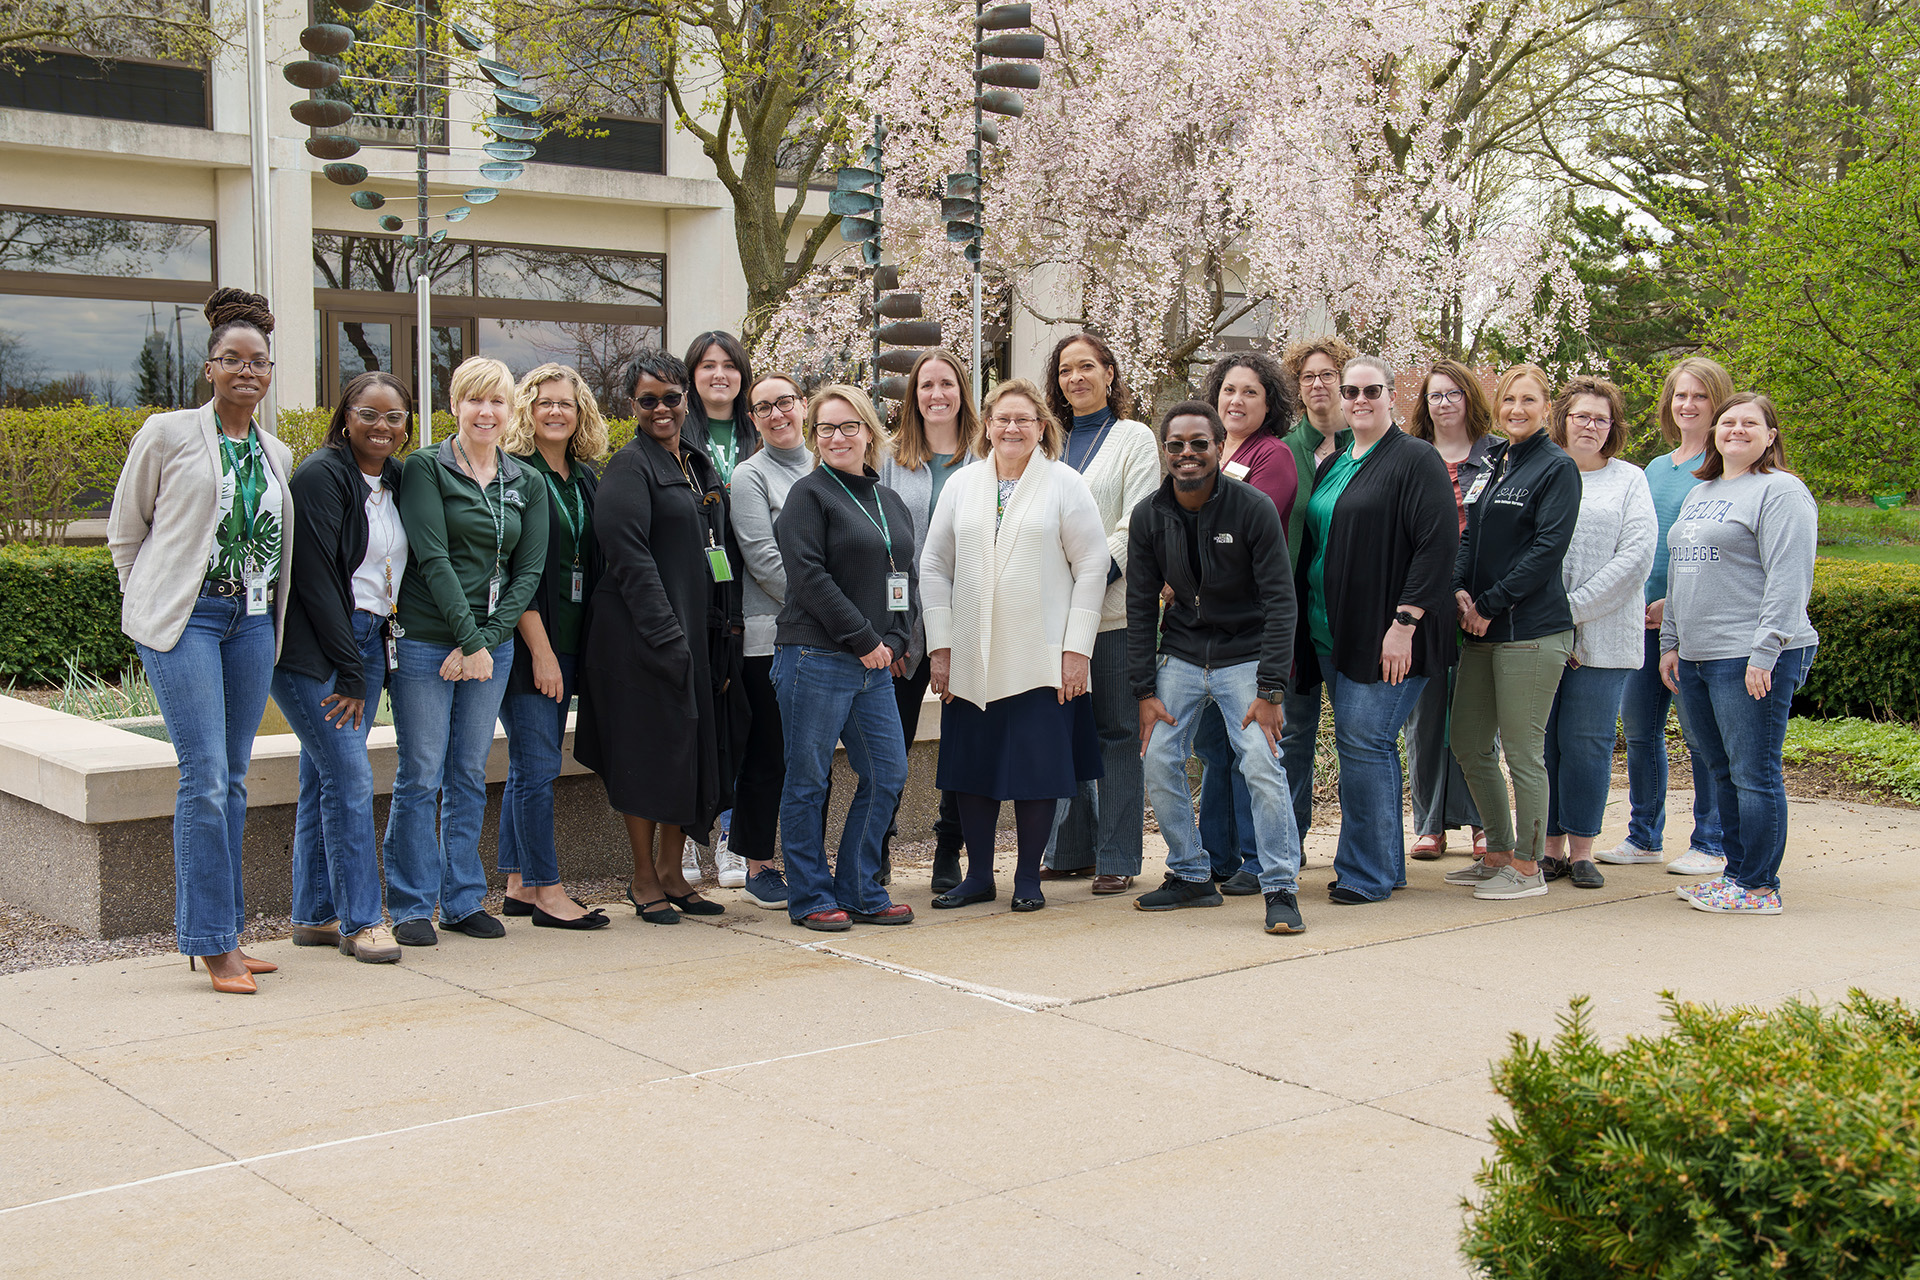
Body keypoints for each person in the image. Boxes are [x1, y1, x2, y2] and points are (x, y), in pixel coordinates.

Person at [108, 287, 295, 994]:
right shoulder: (168, 433)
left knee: (236, 780)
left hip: (250, 624)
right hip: (186, 621)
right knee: (206, 778)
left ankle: (228, 936)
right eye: (233, 359)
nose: (247, 371)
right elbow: (128, 532)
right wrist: (148, 603)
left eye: (259, 362)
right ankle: (212, 944)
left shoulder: (276, 450)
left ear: (270, 372)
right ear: (210, 367)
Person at [922, 378, 1108, 912]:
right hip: (971, 653)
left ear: (1041, 427)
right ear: (986, 426)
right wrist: (942, 646)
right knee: (972, 769)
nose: (1011, 428)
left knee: (1034, 770)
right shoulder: (961, 485)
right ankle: (979, 875)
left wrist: (1077, 650)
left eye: (1023, 419)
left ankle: (1028, 877)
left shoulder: (1065, 484)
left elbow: (1093, 565)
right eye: (1002, 419)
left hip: (1043, 654)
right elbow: (934, 564)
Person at [574, 349, 745, 924]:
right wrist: (667, 639)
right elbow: (630, 561)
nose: (662, 409)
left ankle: (674, 873)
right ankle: (643, 877)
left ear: (686, 399)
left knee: (688, 757)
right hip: (642, 642)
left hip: (698, 637)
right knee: (647, 758)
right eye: (649, 400)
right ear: (633, 406)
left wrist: (722, 632)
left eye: (672, 397)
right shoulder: (630, 467)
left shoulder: (696, 463)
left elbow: (720, 554)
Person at [1127, 401, 1306, 935]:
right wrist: (1143, 688)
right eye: (1177, 445)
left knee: (1260, 762)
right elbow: (1140, 606)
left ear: (1218, 449)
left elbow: (1281, 600)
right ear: (1166, 453)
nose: (1188, 453)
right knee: (1158, 757)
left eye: (1199, 444)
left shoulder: (1252, 509)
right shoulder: (1148, 515)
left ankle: (1280, 887)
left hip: (1246, 657)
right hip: (1181, 654)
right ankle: (1190, 875)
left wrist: (1271, 688)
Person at [386, 356, 548, 946]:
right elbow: (433, 559)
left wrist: (487, 640)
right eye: (474, 400)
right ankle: (409, 905)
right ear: (454, 405)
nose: (486, 412)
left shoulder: (524, 481)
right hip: (430, 641)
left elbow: (527, 572)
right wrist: (469, 639)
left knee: (469, 774)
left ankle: (460, 900)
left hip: (491, 648)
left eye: (497, 402)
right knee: (421, 774)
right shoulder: (425, 469)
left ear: (512, 411)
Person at [1295, 355, 1459, 905]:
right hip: (1332, 633)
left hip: (1388, 635)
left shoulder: (1417, 459)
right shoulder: (1333, 463)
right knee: (1365, 747)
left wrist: (1404, 624)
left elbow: (1438, 548)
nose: (1359, 400)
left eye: (1372, 391)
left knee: (1364, 743)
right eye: (1351, 392)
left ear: (1391, 395)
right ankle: (1385, 865)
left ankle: (1364, 873)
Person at [270, 371, 410, 966]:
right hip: (316, 649)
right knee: (350, 776)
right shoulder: (322, 475)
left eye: (394, 417)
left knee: (321, 774)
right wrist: (352, 672)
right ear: (345, 415)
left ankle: (314, 915)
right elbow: (318, 583)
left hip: (368, 636)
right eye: (369, 414)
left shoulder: (393, 479)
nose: (382, 427)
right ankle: (363, 920)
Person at [1661, 393, 1818, 915]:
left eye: (1751, 423)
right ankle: (1735, 874)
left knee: (1754, 772)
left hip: (1750, 655)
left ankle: (1758, 886)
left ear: (1771, 435)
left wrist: (1765, 652)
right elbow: (1683, 576)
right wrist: (1671, 643)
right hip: (1699, 656)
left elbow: (1789, 579)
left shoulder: (1781, 491)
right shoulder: (1701, 491)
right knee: (1722, 769)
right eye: (1728, 422)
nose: (1736, 429)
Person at [771, 386, 919, 931]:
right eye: (825, 429)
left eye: (848, 426)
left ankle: (859, 886)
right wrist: (864, 638)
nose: (837, 437)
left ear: (869, 432)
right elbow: (808, 577)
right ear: (814, 438)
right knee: (807, 779)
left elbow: (901, 576)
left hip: (875, 663)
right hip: (816, 655)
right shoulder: (808, 496)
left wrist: (899, 638)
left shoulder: (889, 500)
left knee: (888, 772)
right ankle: (810, 896)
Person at [1446, 363, 1581, 901]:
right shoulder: (1494, 461)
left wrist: (1489, 605)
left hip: (1529, 631)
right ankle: (1497, 851)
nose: (1517, 410)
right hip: (1480, 627)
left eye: (1529, 401)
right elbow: (1467, 536)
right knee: (1469, 742)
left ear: (1547, 408)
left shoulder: (1557, 468)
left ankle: (1528, 869)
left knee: (1523, 752)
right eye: (1508, 401)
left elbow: (1546, 551)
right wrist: (1459, 591)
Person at [1036, 333, 1159, 894]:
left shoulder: (1134, 439)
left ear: (1110, 373)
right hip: (1050, 617)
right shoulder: (1045, 444)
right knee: (1062, 732)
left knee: (1114, 732)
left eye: (1088, 366)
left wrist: (1084, 580)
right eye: (1065, 370)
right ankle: (1069, 849)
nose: (1076, 378)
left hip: (1112, 616)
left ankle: (1116, 855)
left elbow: (1136, 524)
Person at [1601, 357, 1733, 876]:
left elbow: (1713, 552)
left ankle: (1712, 841)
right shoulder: (1656, 468)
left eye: (1700, 396)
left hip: (1694, 625)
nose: (1688, 405)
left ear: (1717, 403)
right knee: (1639, 731)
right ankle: (1644, 835)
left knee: (1701, 736)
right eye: (1680, 395)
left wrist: (1672, 605)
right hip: (1642, 623)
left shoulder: (1725, 467)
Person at [495, 363, 609, 931]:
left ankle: (517, 882)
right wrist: (541, 652)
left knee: (528, 766)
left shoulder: (585, 478)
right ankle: (548, 890)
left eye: (566, 403)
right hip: (530, 643)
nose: (555, 412)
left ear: (580, 410)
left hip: (573, 640)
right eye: (543, 403)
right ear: (526, 410)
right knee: (539, 765)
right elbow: (517, 572)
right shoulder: (515, 476)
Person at [1189, 352, 1302, 894]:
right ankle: (1218, 857)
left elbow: (1234, 526)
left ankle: (1261, 863)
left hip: (1247, 630)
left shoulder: (1273, 455)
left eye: (1250, 392)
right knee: (1213, 750)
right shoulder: (1205, 451)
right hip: (1199, 632)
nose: (1236, 401)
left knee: (1253, 752)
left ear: (1269, 402)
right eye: (1229, 390)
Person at [1539, 377, 1656, 889]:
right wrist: (1550, 618)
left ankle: (1582, 849)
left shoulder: (1629, 479)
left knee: (1586, 744)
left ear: (1613, 428)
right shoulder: (1542, 471)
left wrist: (1571, 611)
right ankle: (1548, 848)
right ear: (1563, 417)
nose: (1590, 425)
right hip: (1540, 635)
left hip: (1604, 637)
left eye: (1601, 418)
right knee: (1541, 745)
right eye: (1582, 415)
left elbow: (1635, 559)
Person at [877, 348, 979, 892]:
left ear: (963, 391)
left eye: (946, 384)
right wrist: (892, 632)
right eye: (925, 386)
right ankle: (880, 846)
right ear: (912, 396)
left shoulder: (987, 457)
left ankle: (949, 849)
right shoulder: (892, 458)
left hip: (972, 624)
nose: (936, 394)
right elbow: (882, 547)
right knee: (892, 742)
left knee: (962, 743)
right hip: (906, 628)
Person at [728, 371, 814, 911]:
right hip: (773, 638)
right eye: (764, 408)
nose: (777, 413)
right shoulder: (749, 476)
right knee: (769, 753)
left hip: (830, 637)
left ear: (803, 406)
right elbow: (763, 560)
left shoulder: (831, 461)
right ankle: (759, 863)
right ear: (753, 420)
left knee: (812, 757)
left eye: (785, 402)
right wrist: (831, 612)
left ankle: (808, 861)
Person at [1402, 359, 1494, 860]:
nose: (1444, 403)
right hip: (1427, 602)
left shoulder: (1496, 457)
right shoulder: (1414, 456)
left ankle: (1482, 820)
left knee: (1476, 715)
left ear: (1470, 400)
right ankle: (1430, 823)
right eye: (1435, 395)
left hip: (1480, 602)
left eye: (1454, 393)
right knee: (1426, 716)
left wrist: (1482, 595)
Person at [1268, 335, 1357, 844]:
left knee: (1358, 737)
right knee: (1294, 733)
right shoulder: (1284, 450)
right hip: (1294, 614)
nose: (1318, 385)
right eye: (1308, 377)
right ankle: (1289, 842)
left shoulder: (1370, 444)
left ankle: (1364, 848)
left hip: (1346, 612)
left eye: (1329, 375)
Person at [679, 331, 757, 887]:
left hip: (751, 594)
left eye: (728, 365)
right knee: (693, 714)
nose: (718, 375)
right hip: (693, 591)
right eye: (707, 366)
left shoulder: (759, 429)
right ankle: (686, 833)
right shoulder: (677, 432)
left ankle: (732, 833)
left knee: (738, 719)